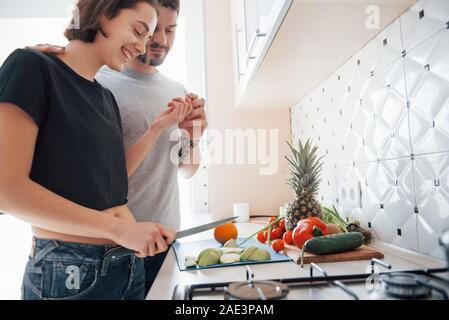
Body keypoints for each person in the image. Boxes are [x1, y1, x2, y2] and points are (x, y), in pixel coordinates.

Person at [0, 0, 191, 300]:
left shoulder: (105, 98)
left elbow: (113, 180)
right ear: (103, 12)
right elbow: (6, 191)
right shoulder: (31, 66)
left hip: (126, 268)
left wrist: (157, 129)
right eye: (139, 30)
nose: (142, 47)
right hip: (69, 272)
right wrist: (120, 231)